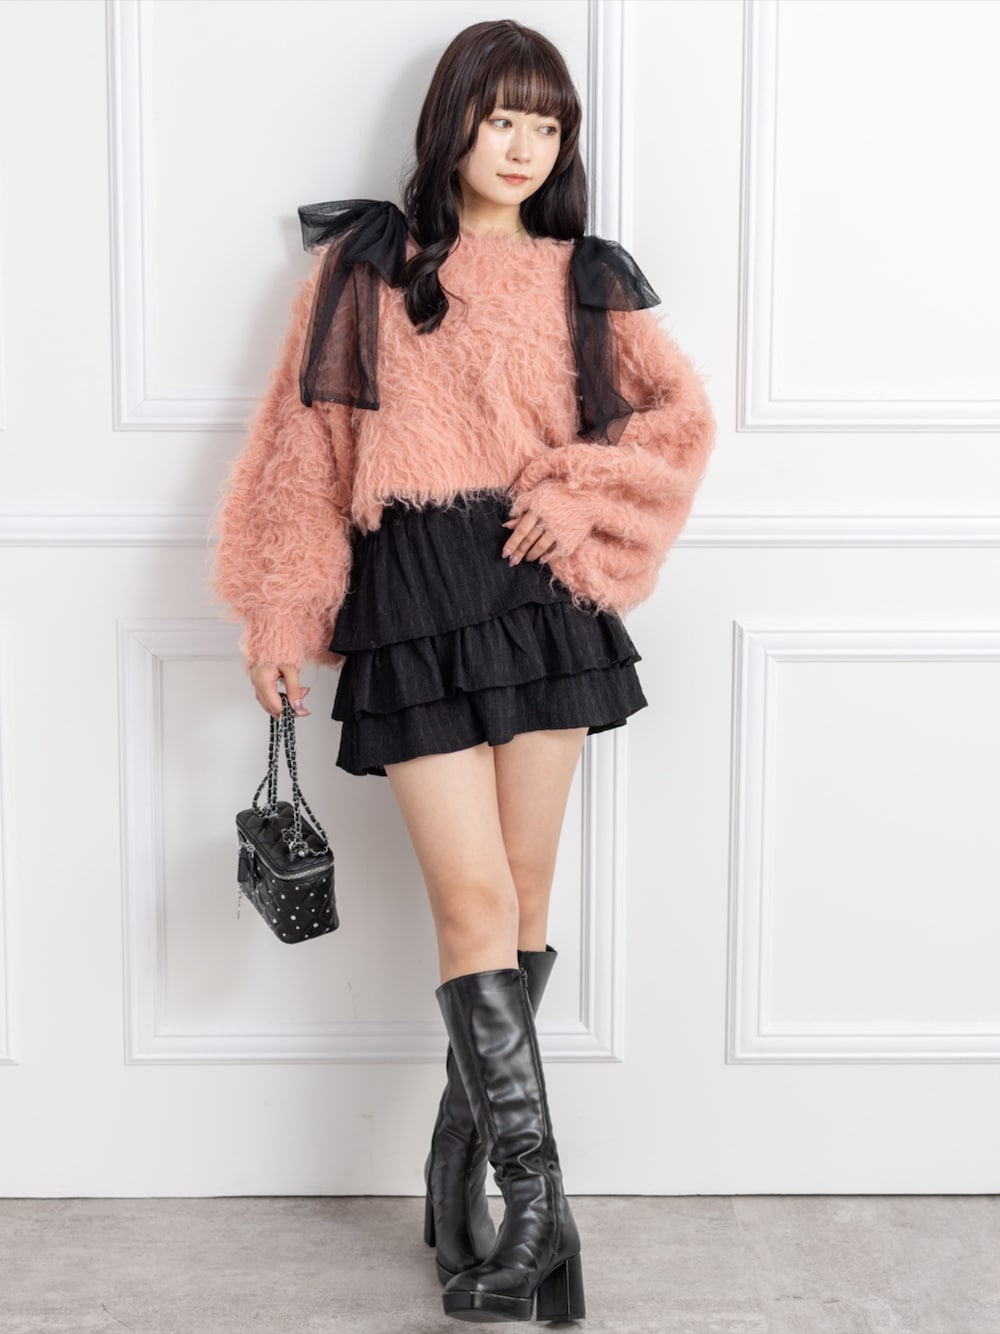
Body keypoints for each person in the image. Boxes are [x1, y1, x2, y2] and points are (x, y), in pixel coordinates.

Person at [212, 18, 716, 1324]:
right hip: (414, 598)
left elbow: (678, 422)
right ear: (456, 124)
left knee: (525, 899)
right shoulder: (367, 268)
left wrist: (580, 488)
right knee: (475, 897)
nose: (524, 145)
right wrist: (279, 614)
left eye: (547, 124)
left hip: (538, 601)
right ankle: (543, 1211)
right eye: (504, 118)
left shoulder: (583, 275)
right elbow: (302, 452)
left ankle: (464, 1190)